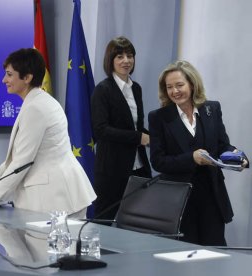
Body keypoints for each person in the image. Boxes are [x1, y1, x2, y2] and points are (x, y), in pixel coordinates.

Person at [0, 48, 96, 218]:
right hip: (59, 195)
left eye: (9, 74)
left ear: (27, 77)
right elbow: (19, 156)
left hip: (57, 198)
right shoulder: (37, 102)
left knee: (56, 245)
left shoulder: (36, 108)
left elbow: (23, 160)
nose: (4, 80)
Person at [148, 60, 248, 246]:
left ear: (192, 84)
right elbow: (158, 161)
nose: (174, 91)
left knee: (215, 253)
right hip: (178, 202)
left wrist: (237, 157)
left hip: (212, 196)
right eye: (169, 87)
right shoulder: (159, 118)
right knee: (184, 258)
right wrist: (191, 158)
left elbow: (221, 145)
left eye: (179, 85)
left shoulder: (212, 109)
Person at [90, 36, 151, 221]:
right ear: (111, 61)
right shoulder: (103, 89)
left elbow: (137, 126)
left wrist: (152, 136)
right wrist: (138, 137)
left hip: (138, 166)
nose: (126, 61)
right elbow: (100, 130)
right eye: (120, 56)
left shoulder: (137, 88)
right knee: (104, 221)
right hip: (111, 168)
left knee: (139, 221)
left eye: (130, 55)